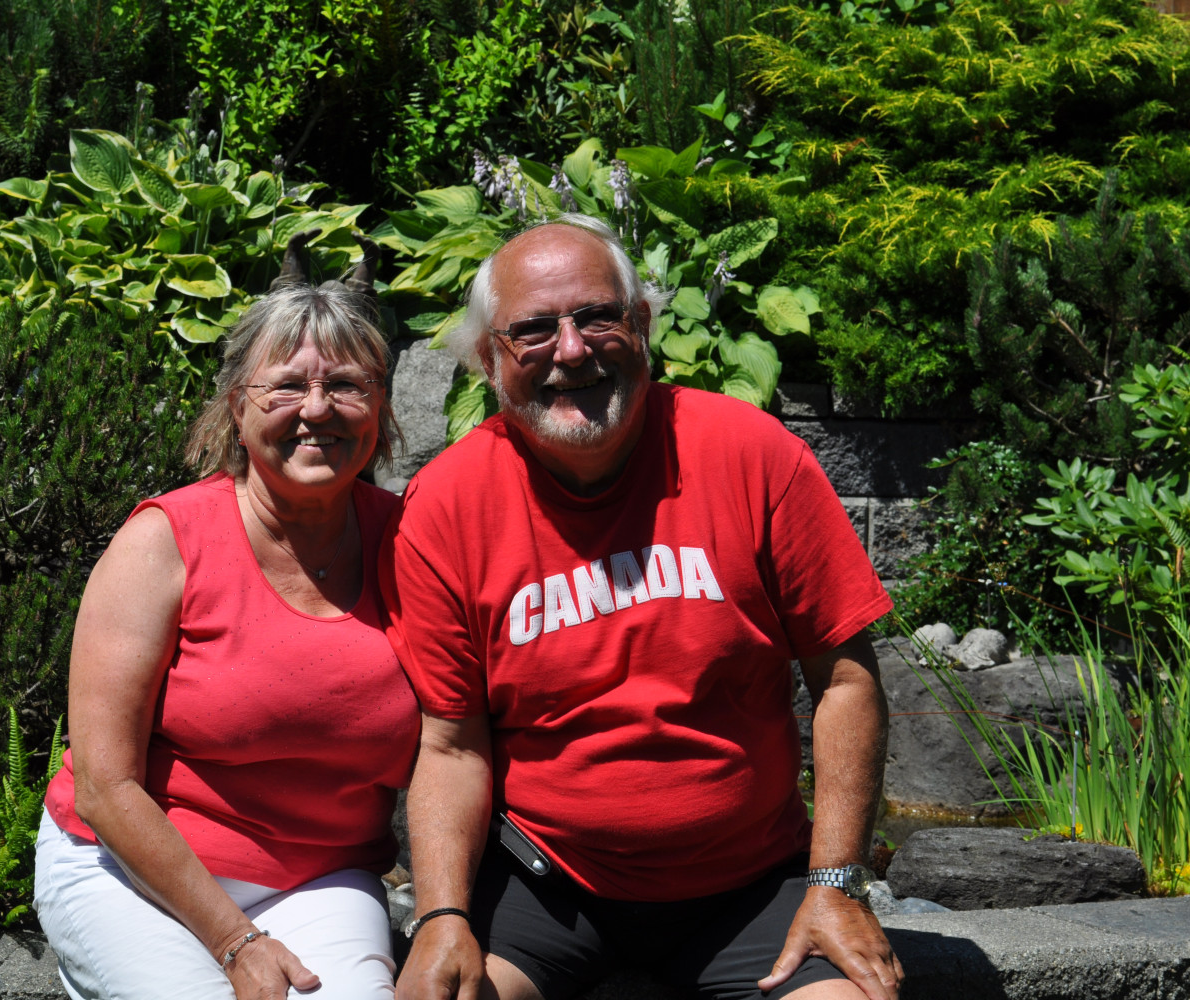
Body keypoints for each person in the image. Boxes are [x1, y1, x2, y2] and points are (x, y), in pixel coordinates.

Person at [379, 215, 902, 1000]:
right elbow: (452, 743)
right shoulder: (448, 504)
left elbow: (845, 681)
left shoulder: (750, 453)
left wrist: (835, 882)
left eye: (597, 316)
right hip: (544, 884)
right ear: (489, 359)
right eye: (532, 330)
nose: (571, 349)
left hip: (749, 886)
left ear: (642, 324)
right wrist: (442, 913)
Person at [34, 260, 419, 1000]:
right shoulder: (163, 542)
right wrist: (235, 942)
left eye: (345, 386)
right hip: (132, 869)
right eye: (286, 386)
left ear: (379, 409)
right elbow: (104, 786)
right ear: (237, 408)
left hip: (323, 876)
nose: (317, 409)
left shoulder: (411, 544)